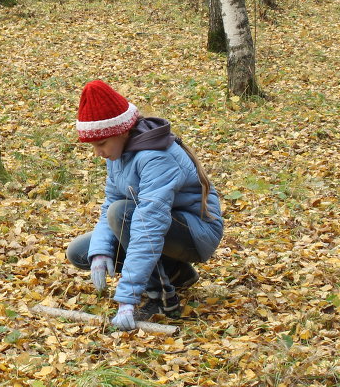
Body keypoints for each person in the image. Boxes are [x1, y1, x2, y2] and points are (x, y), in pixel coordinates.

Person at [66, 80, 223, 330]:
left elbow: (148, 224)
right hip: (158, 226)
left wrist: (127, 299)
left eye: (101, 145)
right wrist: (100, 251)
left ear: (121, 132)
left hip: (195, 232)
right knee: (81, 252)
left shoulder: (155, 157)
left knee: (123, 214)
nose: (98, 153)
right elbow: (111, 202)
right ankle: (176, 273)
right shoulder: (119, 152)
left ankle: (162, 299)